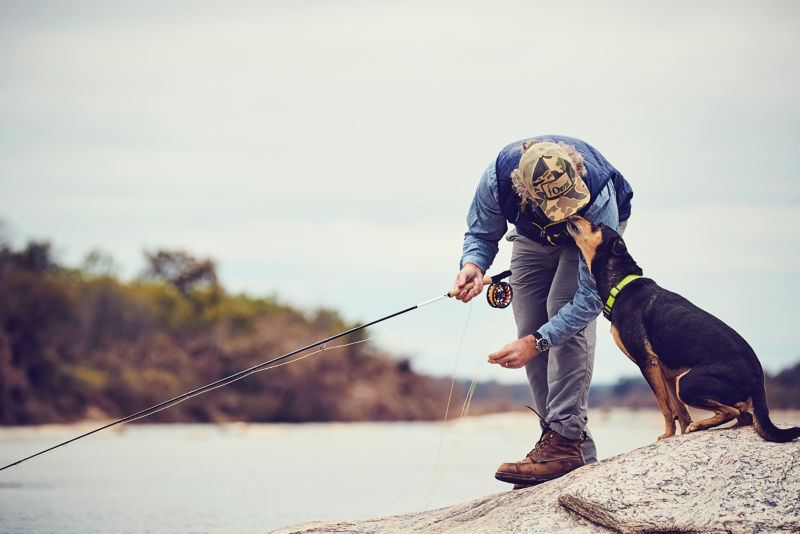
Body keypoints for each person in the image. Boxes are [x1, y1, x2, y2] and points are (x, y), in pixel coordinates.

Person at [453, 135, 633, 486]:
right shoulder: (497, 180)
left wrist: (537, 342)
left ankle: (566, 440)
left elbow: (590, 298)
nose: (566, 206)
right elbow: (480, 233)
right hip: (532, 237)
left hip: (587, 236)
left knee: (560, 313)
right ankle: (559, 442)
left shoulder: (598, 197)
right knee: (531, 324)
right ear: (525, 192)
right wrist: (473, 264)